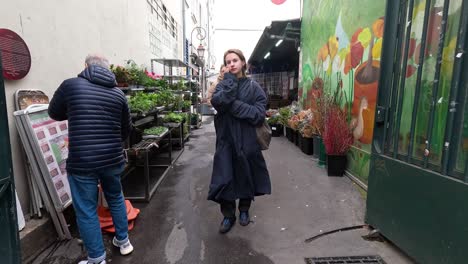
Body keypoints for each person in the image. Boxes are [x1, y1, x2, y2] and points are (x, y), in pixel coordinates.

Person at [48, 55, 133, 264]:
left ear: (86, 66)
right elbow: (126, 130)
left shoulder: (71, 85)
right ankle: (124, 242)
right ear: (108, 70)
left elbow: (53, 112)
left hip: (83, 160)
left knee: (86, 208)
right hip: (112, 159)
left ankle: (97, 258)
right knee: (115, 197)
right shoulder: (118, 94)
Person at [208, 49, 271, 234]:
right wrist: (229, 82)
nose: (232, 64)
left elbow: (258, 115)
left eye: (235, 60)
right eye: (228, 61)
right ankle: (228, 215)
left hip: (247, 141)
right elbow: (218, 103)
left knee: (246, 176)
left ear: (243, 62)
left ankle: (244, 210)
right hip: (226, 141)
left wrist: (233, 106)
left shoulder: (254, 88)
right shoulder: (222, 85)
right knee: (224, 178)